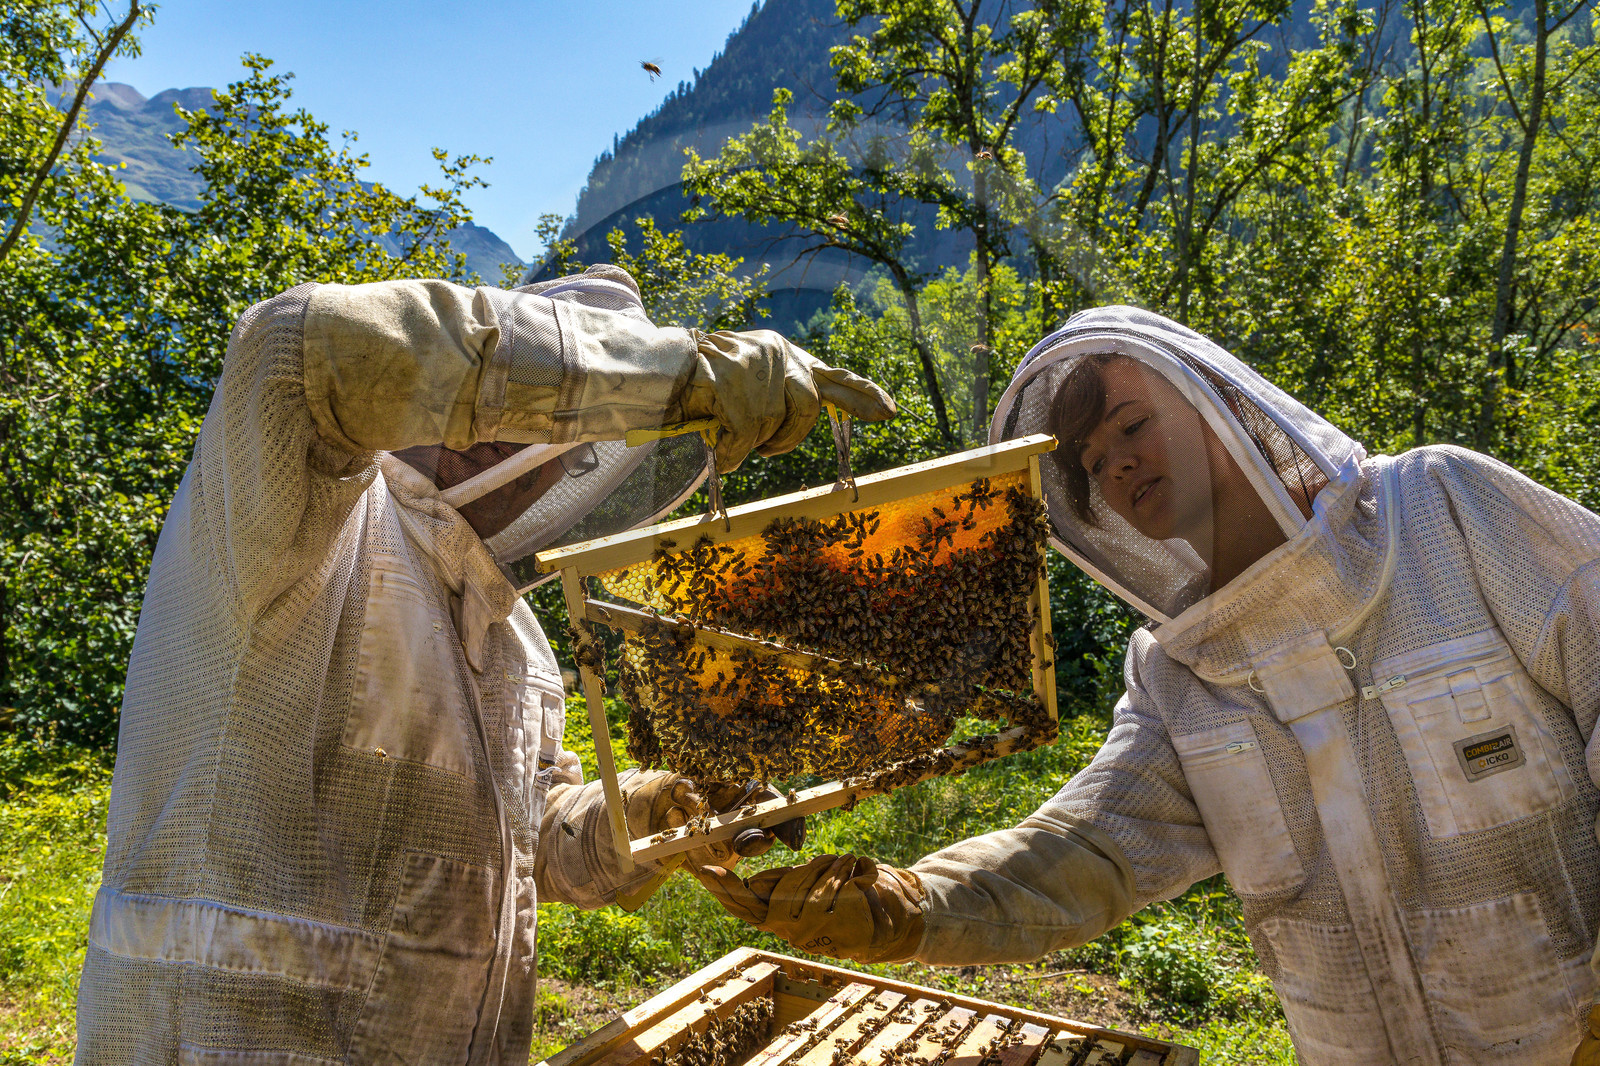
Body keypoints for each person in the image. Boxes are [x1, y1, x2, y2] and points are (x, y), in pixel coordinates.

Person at [695, 305, 1600, 1066]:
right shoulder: (1177, 672)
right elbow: (1089, 850)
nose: (1117, 465)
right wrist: (908, 905)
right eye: (1091, 464)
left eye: (1131, 425)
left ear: (1223, 406)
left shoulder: (1446, 511)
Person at [74, 265, 896, 1064]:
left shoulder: (518, 638)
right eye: (526, 406)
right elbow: (292, 348)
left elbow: (533, 836)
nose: (513, 444)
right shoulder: (294, 518)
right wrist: (682, 372)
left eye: (561, 437)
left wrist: (650, 812)